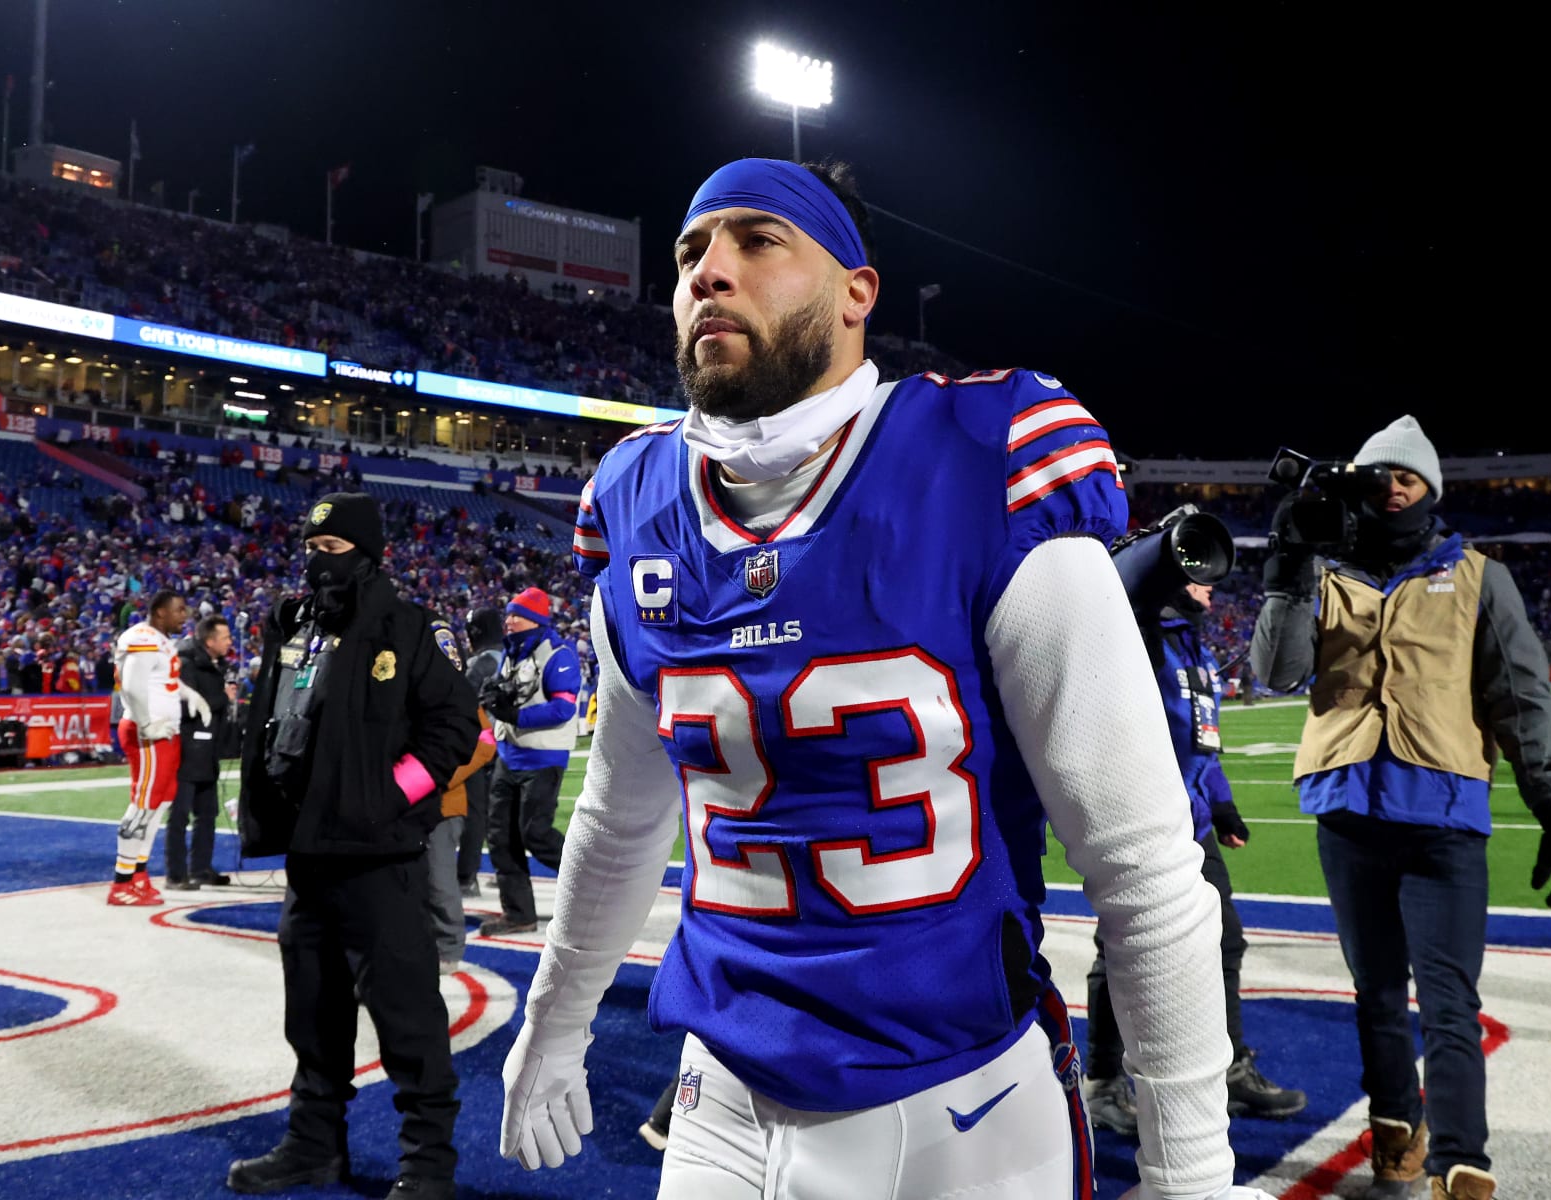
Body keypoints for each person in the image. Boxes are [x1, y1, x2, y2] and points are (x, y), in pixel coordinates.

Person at [498, 158, 1267, 1200]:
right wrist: (554, 1022)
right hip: (716, 1096)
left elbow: (1143, 866)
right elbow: (621, 820)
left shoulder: (981, 457)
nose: (709, 273)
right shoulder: (637, 503)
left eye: (758, 241)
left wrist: (1193, 1177)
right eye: (689, 252)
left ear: (857, 292)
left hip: (961, 1106)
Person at [1251, 415, 1551, 1200]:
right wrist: (1285, 567)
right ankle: (1395, 1137)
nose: (1392, 487)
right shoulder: (1325, 577)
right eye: (1378, 476)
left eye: (1408, 478)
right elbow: (1277, 672)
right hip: (1348, 813)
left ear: (1431, 491)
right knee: (1377, 994)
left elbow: (1520, 702)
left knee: (1450, 1003)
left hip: (1443, 821)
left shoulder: (1482, 577)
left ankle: (1463, 1163)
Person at [229, 492, 479, 1200]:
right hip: (309, 859)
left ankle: (428, 1167)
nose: (318, 562)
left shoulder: (407, 628)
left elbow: (457, 729)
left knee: (407, 1019)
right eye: (311, 549)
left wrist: (387, 797)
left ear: (367, 555)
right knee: (312, 1013)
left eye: (333, 550)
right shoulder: (296, 628)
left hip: (379, 859)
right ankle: (314, 1146)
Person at [1085, 554, 1307, 1135]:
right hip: (1140, 822)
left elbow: (1202, 743)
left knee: (1226, 942)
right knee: (1122, 952)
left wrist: (1223, 802)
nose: (1210, 587)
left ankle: (1230, 1067)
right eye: (1195, 574)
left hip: (1195, 820)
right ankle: (1103, 1082)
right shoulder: (1136, 635)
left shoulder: (1196, 649)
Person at [477, 587, 580, 937]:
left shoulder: (558, 653)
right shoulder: (513, 653)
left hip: (542, 756)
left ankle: (591, 887)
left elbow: (563, 707)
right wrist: (495, 697)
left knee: (535, 833)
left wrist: (516, 714)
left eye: (516, 615)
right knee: (502, 839)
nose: (508, 621)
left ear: (535, 619)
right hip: (509, 756)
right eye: (507, 615)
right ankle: (518, 913)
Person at [107, 590, 206, 907]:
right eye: (178, 610)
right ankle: (121, 883)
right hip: (147, 732)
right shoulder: (141, 637)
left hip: (164, 732)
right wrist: (147, 722)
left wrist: (190, 695)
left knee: (158, 804)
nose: (184, 615)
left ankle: (138, 874)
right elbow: (133, 684)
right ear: (160, 612)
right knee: (142, 805)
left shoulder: (161, 640)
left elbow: (164, 681)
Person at [425, 617, 498, 973]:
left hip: (442, 797)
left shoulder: (456, 688)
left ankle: (449, 947)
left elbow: (485, 742)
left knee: (439, 879)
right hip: (405, 797)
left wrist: (444, 776)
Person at [166, 614, 235, 890]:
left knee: (207, 814)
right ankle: (175, 873)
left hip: (207, 750)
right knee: (180, 814)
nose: (230, 642)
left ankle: (200, 868)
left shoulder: (214, 665)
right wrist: (223, 699)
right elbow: (184, 707)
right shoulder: (186, 664)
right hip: (186, 749)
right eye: (225, 638)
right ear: (210, 641)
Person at [455, 606, 506, 899]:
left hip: (480, 747)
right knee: (500, 815)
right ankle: (505, 873)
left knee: (474, 814)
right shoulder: (509, 657)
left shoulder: (479, 664)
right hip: (508, 746)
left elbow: (460, 703)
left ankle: (466, 877)